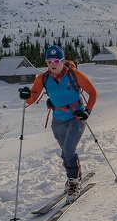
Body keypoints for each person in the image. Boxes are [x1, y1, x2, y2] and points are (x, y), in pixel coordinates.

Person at [19, 45, 98, 203]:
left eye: (56, 61)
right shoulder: (42, 78)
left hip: (77, 116)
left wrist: (87, 111)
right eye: (49, 61)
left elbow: (93, 93)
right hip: (58, 119)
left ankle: (74, 182)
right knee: (66, 152)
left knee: (68, 150)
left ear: (62, 61)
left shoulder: (75, 75)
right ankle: (74, 177)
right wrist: (26, 96)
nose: (52, 64)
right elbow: (31, 99)